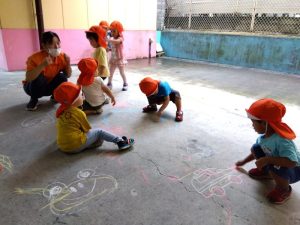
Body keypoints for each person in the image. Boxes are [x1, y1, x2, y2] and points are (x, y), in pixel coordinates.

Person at [236, 98, 300, 204]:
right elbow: (255, 152)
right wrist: (244, 161)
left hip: (295, 170)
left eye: (253, 122)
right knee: (256, 147)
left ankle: (284, 190)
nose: (252, 126)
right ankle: (267, 173)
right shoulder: (264, 137)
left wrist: (267, 160)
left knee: (274, 164)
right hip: (277, 163)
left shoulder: (282, 140)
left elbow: (292, 162)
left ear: (265, 124)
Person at [53, 82, 134, 153]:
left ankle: (87, 145)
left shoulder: (61, 111)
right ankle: (120, 142)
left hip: (63, 147)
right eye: (81, 95)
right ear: (74, 100)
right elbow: (87, 129)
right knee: (99, 132)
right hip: (75, 146)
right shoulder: (79, 113)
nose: (83, 97)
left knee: (98, 140)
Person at [23, 31, 71, 111]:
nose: (56, 46)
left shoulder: (62, 57)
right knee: (40, 77)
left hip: (48, 86)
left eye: (58, 43)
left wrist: (68, 63)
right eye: (52, 44)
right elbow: (28, 78)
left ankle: (54, 96)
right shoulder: (34, 58)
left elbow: (68, 75)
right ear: (44, 46)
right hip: (31, 88)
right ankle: (34, 99)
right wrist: (42, 65)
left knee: (62, 77)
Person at [107, 21, 128, 91]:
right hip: (113, 59)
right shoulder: (112, 38)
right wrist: (108, 48)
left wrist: (108, 40)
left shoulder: (121, 38)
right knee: (110, 72)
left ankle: (125, 83)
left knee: (122, 72)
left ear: (119, 31)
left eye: (114, 31)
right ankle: (109, 83)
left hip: (119, 59)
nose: (112, 33)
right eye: (111, 31)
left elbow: (117, 42)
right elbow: (112, 47)